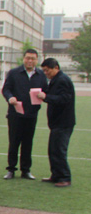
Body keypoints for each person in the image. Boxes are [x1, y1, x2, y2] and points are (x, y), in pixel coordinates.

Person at [2, 49, 47, 180]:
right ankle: (11, 169)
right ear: (23, 58)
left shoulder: (40, 75)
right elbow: (6, 89)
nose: (30, 61)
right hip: (15, 114)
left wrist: (44, 95)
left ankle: (26, 170)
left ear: (37, 60)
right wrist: (10, 98)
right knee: (14, 142)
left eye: (33, 58)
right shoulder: (14, 73)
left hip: (32, 114)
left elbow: (46, 91)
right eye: (28, 58)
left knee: (28, 143)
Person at [37, 58, 75, 187]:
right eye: (44, 71)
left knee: (59, 150)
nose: (46, 73)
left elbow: (64, 99)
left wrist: (46, 97)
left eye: (47, 71)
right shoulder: (55, 80)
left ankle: (65, 177)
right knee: (53, 149)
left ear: (56, 68)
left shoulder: (63, 80)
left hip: (63, 122)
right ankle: (56, 175)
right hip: (57, 122)